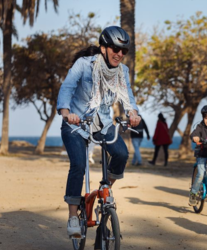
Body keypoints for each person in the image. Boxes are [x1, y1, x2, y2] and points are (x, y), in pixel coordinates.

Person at [56, 26, 141, 238]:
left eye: (124, 51)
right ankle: (73, 216)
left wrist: (133, 113)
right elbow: (66, 87)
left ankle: (105, 189)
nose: (119, 54)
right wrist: (67, 113)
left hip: (102, 124)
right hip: (76, 124)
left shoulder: (122, 72)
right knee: (79, 165)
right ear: (103, 48)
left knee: (121, 154)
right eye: (115, 48)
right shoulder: (84, 65)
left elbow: (127, 95)